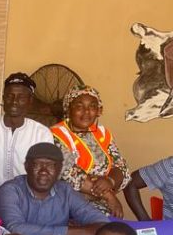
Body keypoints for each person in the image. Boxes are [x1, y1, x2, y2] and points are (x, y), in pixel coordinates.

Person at [0, 142, 107, 235]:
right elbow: (15, 228)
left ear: (59, 169)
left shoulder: (65, 191)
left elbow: (103, 224)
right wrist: (73, 232)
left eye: (50, 165)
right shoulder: (11, 190)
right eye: (37, 164)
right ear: (26, 166)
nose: (44, 171)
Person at [50, 86, 130, 217]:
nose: (86, 112)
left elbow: (122, 167)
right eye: (79, 106)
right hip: (67, 206)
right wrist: (109, 196)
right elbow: (69, 172)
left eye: (92, 106)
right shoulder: (55, 134)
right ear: (68, 109)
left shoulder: (102, 133)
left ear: (99, 111)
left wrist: (110, 181)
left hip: (102, 205)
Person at [0, 72, 54, 188]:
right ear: (3, 98)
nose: (14, 101)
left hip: (27, 200)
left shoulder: (41, 134)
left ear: (30, 100)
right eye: (9, 96)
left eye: (21, 97)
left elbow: (45, 174)